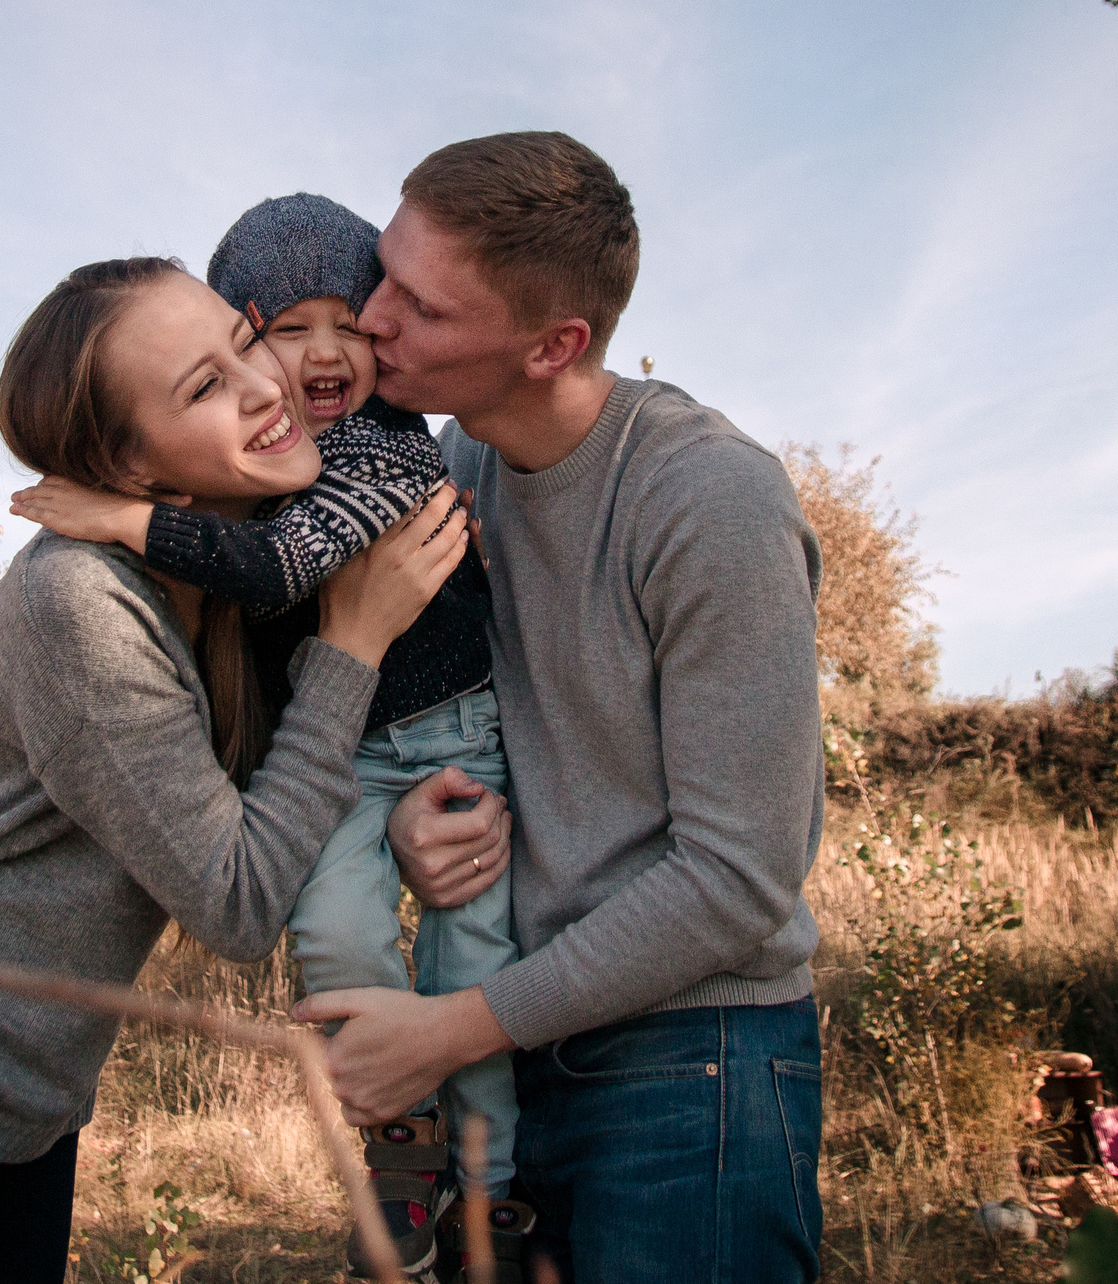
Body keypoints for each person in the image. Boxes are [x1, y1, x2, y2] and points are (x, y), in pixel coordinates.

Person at [0, 256, 467, 1284]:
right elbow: (236, 903)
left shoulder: (237, 590)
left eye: (242, 342)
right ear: (134, 470)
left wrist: (408, 816)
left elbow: (287, 800)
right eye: (202, 389)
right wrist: (353, 646)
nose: (264, 388)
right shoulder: (79, 607)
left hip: (34, 1092)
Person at [293, 132, 829, 1283]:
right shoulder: (449, 470)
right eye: (383, 271)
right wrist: (408, 823)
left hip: (696, 1065)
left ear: (553, 344)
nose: (372, 318)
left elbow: (739, 877)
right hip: (523, 1043)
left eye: (421, 308)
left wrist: (452, 1031)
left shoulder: (708, 499)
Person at [10, 194, 528, 1280]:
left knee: (469, 971)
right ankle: (404, 1158)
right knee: (336, 942)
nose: (326, 352)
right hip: (341, 759)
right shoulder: (242, 494)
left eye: (352, 320)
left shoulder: (392, 453)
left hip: (451, 735)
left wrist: (120, 515)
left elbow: (285, 567)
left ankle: (492, 1194)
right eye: (283, 331)